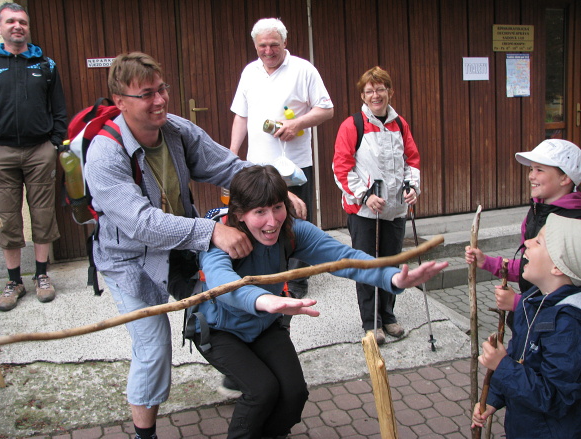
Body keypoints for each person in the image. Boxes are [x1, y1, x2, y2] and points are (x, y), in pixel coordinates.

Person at [83, 52, 305, 439]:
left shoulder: (176, 130)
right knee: (153, 347)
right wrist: (210, 233)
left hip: (178, 249)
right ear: (120, 101)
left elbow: (227, 166)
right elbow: (140, 222)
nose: (160, 100)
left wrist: (275, 190)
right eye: (147, 94)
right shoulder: (104, 154)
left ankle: (250, 377)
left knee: (227, 294)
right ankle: (144, 434)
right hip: (130, 262)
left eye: (162, 89)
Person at [190, 165, 447, 439]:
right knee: (262, 391)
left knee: (294, 393)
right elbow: (221, 283)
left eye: (277, 207)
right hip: (220, 330)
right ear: (240, 214)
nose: (272, 221)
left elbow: (344, 258)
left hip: (263, 324)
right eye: (260, 212)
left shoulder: (292, 232)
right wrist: (264, 300)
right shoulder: (220, 237)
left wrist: (394, 278)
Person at [229, 17, 334, 300]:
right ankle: (266, 277)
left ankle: (297, 281)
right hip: (255, 167)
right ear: (255, 45)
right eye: (262, 45)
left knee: (294, 221)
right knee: (261, 221)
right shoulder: (249, 72)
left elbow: (327, 109)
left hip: (294, 168)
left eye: (273, 44)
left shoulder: (303, 69)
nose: (268, 50)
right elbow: (241, 115)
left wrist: (297, 123)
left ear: (285, 42)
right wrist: (232, 154)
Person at [471, 213, 581, 438]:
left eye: (538, 241)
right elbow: (519, 359)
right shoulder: (531, 302)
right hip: (523, 426)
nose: (527, 243)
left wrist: (501, 366)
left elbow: (555, 397)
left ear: (558, 268)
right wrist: (493, 399)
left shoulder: (568, 325)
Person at [332, 66, 420, 343]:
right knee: (368, 267)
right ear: (363, 95)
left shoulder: (400, 124)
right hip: (365, 213)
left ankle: (389, 317)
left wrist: (412, 187)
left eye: (380, 89)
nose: (375, 95)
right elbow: (341, 168)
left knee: (391, 266)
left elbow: (412, 161)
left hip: (395, 210)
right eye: (369, 91)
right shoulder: (352, 125)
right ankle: (372, 322)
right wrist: (364, 195)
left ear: (390, 92)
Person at [0, 3, 67, 312]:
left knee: (41, 213)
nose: (17, 26)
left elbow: (59, 110)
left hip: (40, 150)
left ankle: (41, 276)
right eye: (11, 21)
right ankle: (14, 281)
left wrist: (54, 143)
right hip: (1, 152)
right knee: (6, 218)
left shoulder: (46, 65)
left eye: (22, 21)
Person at [465, 139, 581, 316]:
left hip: (553, 327)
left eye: (539, 170)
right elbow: (530, 265)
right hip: (529, 319)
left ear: (565, 178)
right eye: (531, 169)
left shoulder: (574, 223)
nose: (531, 176)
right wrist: (486, 262)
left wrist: (520, 304)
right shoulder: (535, 212)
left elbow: (571, 293)